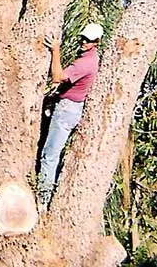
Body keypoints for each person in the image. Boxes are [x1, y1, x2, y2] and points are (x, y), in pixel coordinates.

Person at [37, 23, 103, 208]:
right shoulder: (92, 58)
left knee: (49, 156)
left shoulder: (84, 63)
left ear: (96, 42)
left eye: (88, 40)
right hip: (71, 107)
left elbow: (57, 76)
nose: (83, 42)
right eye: (82, 38)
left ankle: (42, 202)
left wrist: (55, 50)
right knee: (50, 151)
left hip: (66, 110)